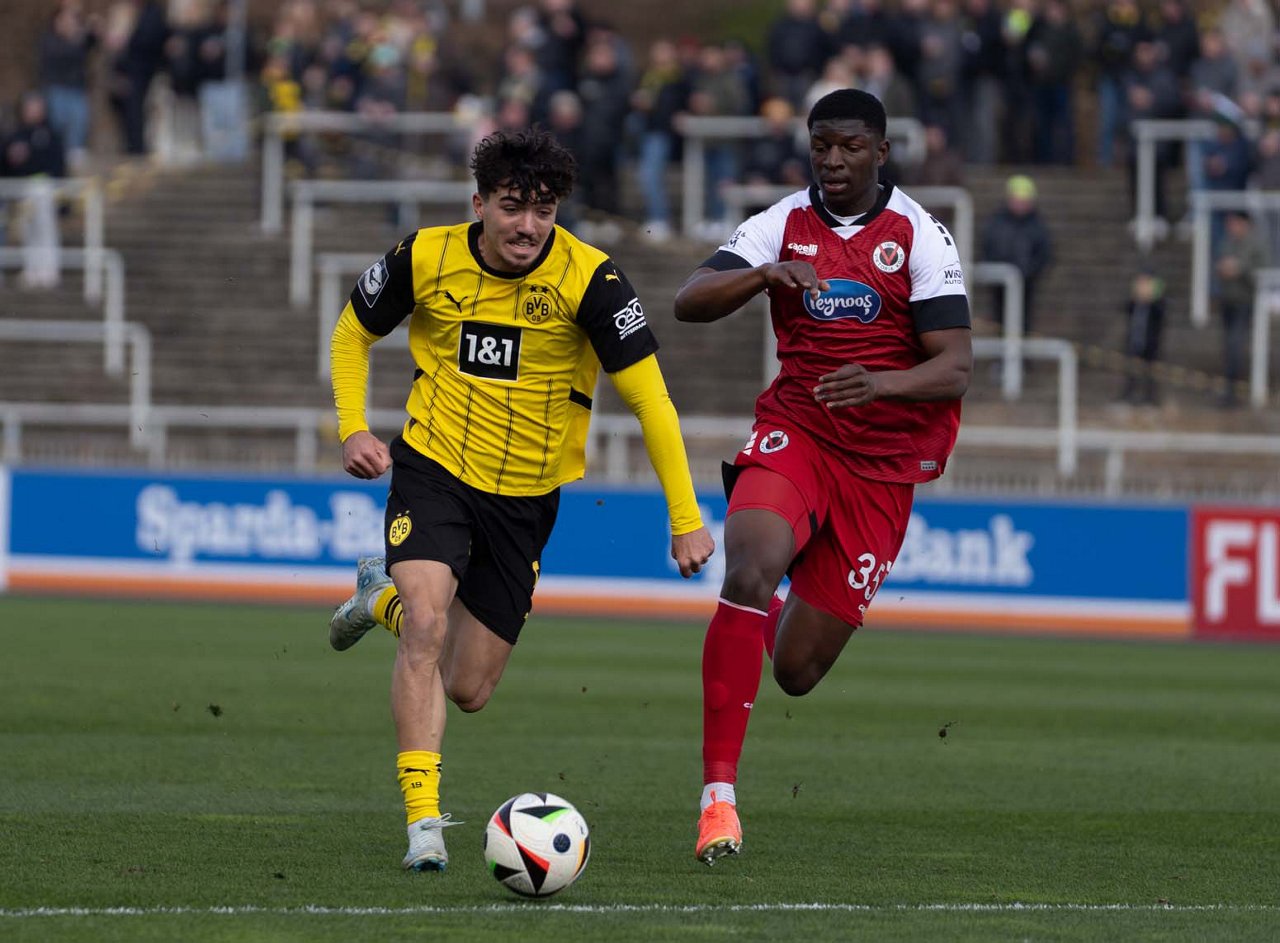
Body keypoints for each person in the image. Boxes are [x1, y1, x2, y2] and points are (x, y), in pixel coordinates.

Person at [326, 127, 715, 872]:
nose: (528, 226)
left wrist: (686, 515)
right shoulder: (425, 257)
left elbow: (651, 400)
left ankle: (379, 598)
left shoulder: (592, 280)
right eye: (512, 207)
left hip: (527, 498)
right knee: (429, 625)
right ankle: (423, 826)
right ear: (479, 203)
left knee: (468, 685)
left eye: (544, 210)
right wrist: (351, 428)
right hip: (433, 470)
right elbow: (351, 333)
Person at [672, 88, 972, 865]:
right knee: (750, 565)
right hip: (797, 431)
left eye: (848, 146)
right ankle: (718, 801)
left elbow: (956, 366)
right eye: (821, 146)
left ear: (879, 150)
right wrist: (763, 276)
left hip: (880, 468)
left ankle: (773, 599)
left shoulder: (920, 236)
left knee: (797, 671)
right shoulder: (778, 223)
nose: (833, 160)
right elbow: (690, 300)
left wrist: (882, 384)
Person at [979, 174, 1052, 335]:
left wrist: (1027, 273)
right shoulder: (997, 223)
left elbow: (1043, 254)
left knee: (1023, 323)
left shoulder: (1037, 227)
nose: (1019, 205)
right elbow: (987, 247)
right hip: (998, 285)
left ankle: (1022, 358)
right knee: (999, 322)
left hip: (1026, 285)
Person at [1212, 210, 1270, 408]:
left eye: (1235, 223)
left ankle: (1233, 390)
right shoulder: (1227, 242)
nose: (1231, 227)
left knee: (1235, 344)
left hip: (1245, 302)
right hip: (1228, 301)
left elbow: (1263, 274)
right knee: (1228, 345)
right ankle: (1229, 388)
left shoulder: (1256, 245)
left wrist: (1240, 269)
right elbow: (1218, 264)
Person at [1118, 266, 1167, 405]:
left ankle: (1150, 397)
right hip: (1135, 339)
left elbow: (1161, 314)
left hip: (1150, 342)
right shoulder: (1135, 301)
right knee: (1131, 369)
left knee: (1151, 370)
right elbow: (1126, 309)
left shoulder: (1157, 301)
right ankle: (1129, 393)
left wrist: (1151, 299)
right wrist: (1136, 298)